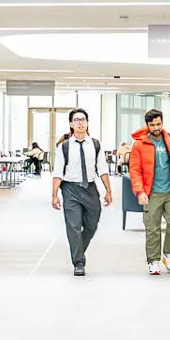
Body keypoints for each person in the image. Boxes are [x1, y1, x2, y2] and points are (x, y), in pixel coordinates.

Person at [128, 108, 170, 275]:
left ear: (162, 123)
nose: (156, 127)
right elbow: (134, 170)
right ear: (147, 125)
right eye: (152, 125)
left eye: (159, 124)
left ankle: (168, 254)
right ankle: (153, 261)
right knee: (152, 228)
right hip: (152, 193)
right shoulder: (140, 144)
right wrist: (140, 191)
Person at [51, 109, 113, 276]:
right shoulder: (64, 147)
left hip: (91, 188)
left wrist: (108, 191)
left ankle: (78, 250)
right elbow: (57, 172)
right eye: (76, 120)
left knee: (92, 225)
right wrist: (54, 194)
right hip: (70, 188)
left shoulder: (95, 144)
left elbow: (102, 169)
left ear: (87, 122)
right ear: (71, 124)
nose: (80, 122)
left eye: (83, 119)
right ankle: (79, 262)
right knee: (74, 227)